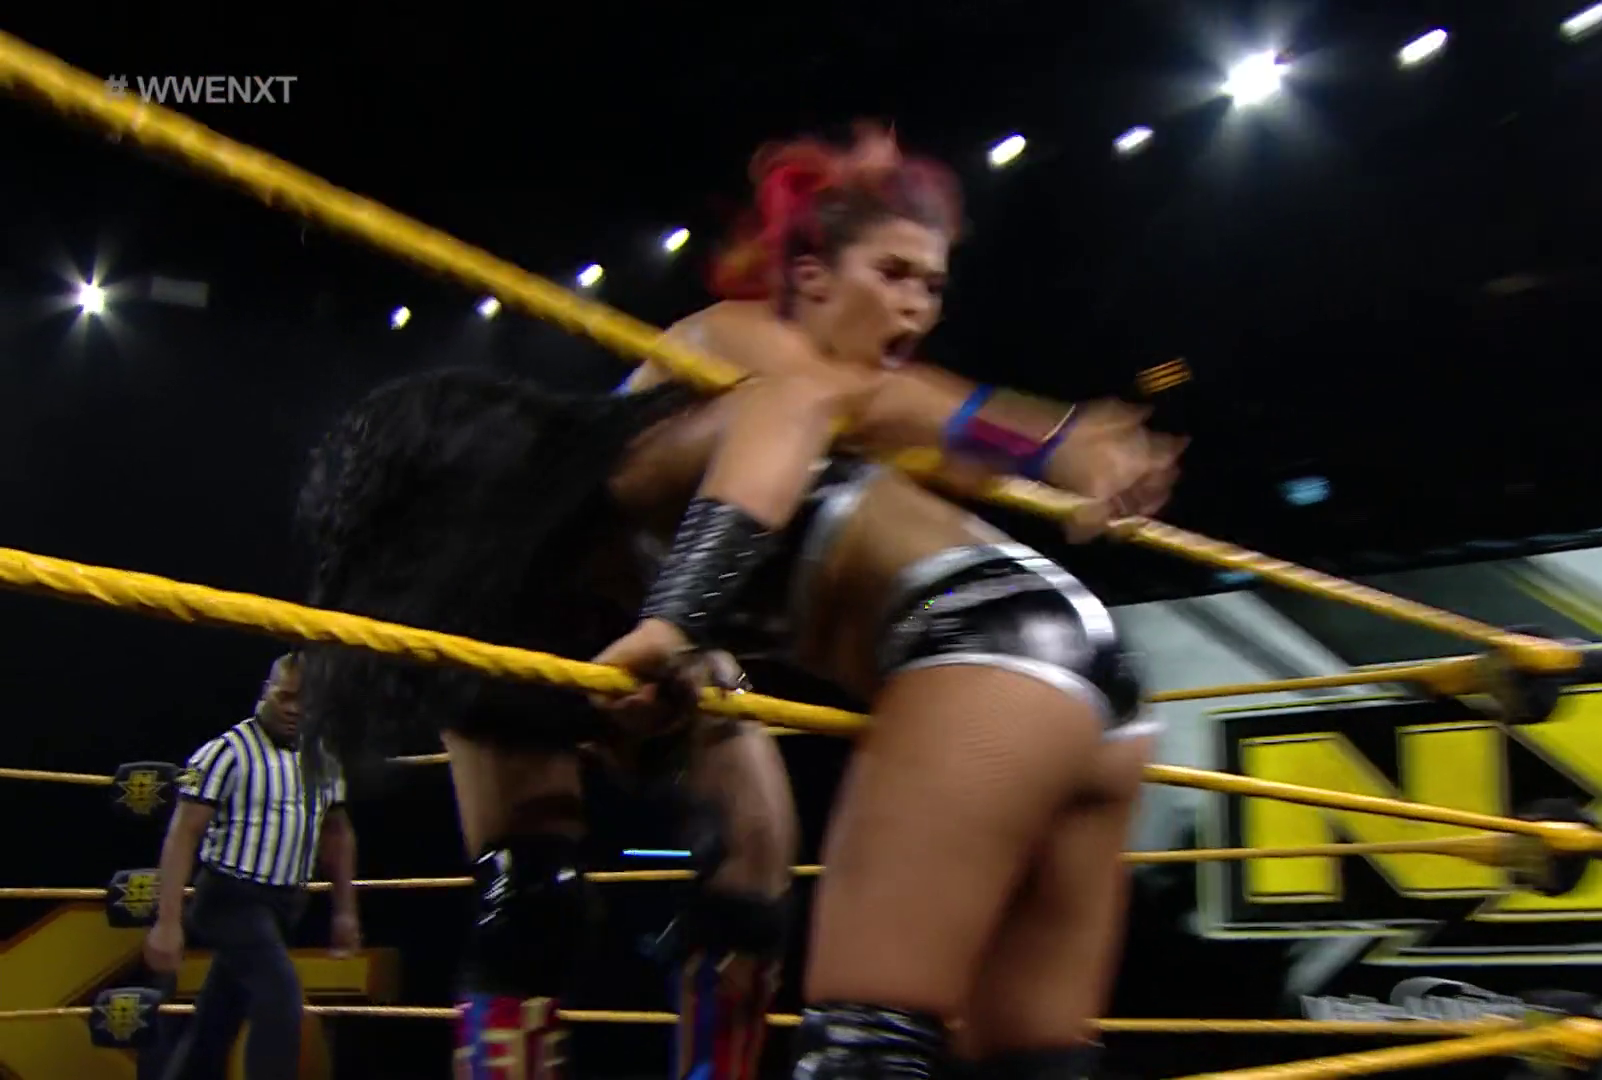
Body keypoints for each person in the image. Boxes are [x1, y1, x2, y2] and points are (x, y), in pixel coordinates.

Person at [294, 122, 1180, 1080]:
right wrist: (1050, 441)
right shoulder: (724, 348)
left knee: (806, 952)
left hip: (969, 645)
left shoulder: (828, 402)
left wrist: (1051, 444)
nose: (917, 306)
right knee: (1018, 1053)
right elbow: (845, 404)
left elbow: (889, 409)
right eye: (894, 274)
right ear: (809, 278)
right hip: (1057, 662)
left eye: (932, 285)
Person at [144, 653, 360, 1080]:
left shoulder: (323, 758)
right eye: (285, 696)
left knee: (217, 1021)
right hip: (229, 898)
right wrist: (167, 922)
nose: (294, 709)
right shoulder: (224, 753)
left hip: (284, 905)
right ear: (266, 692)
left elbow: (337, 833)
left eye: (305, 701)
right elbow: (183, 832)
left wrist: (345, 911)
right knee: (281, 1000)